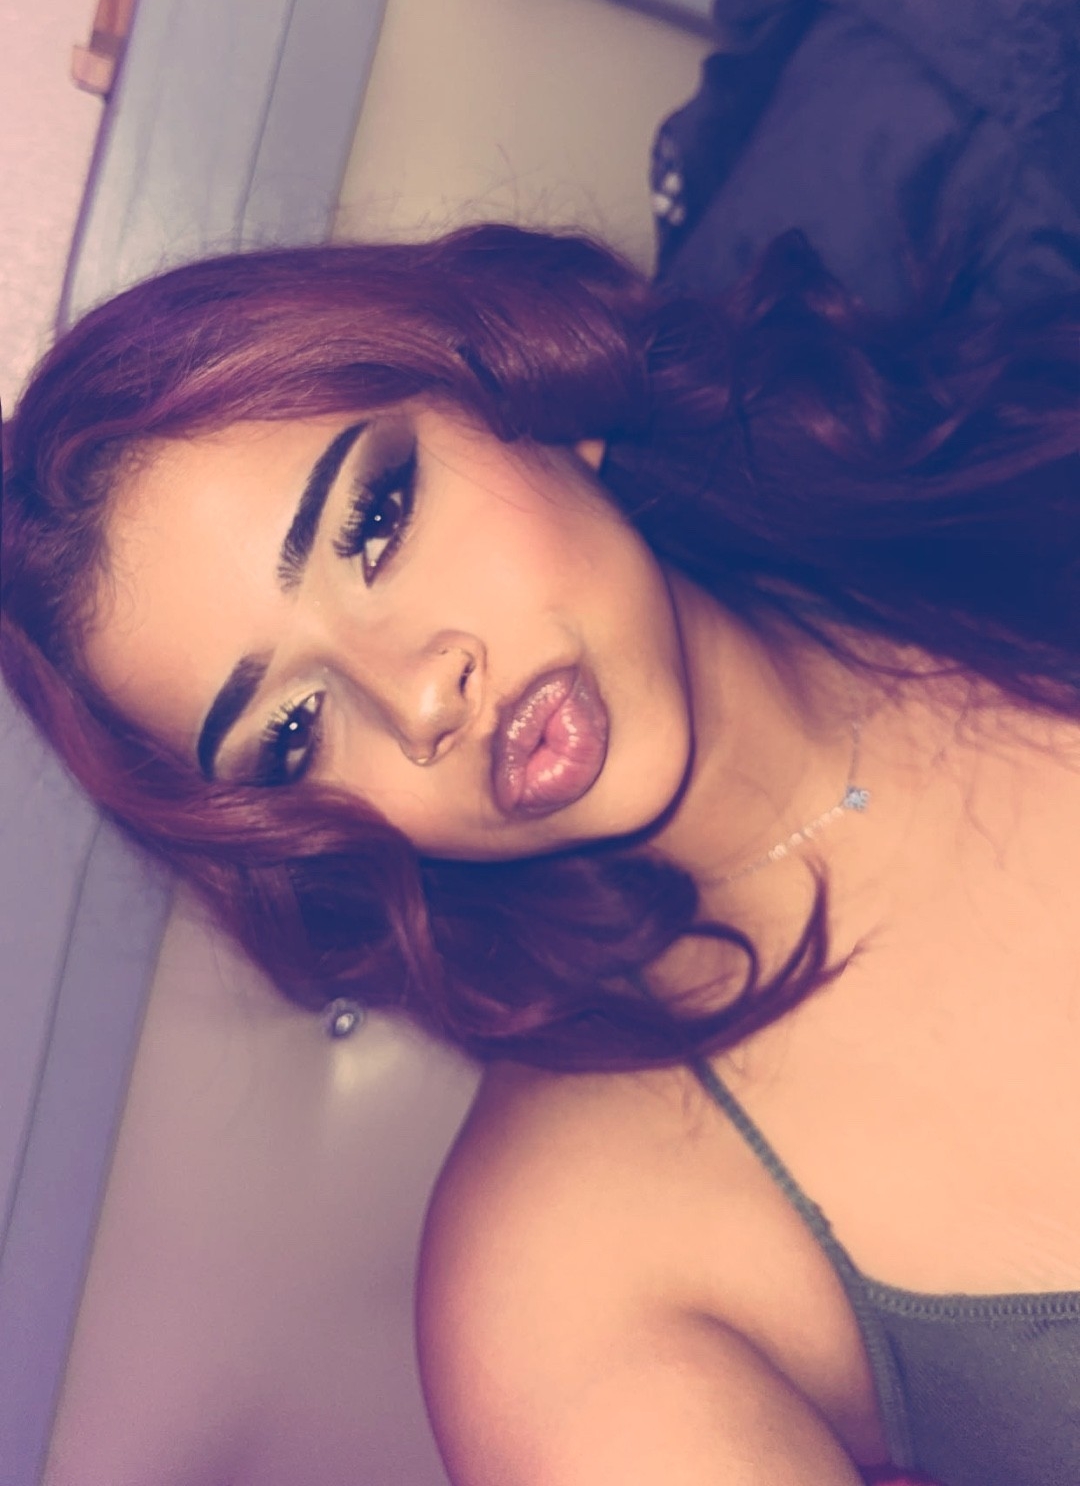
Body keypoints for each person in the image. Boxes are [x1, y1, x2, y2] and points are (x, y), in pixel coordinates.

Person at [1, 219, 1077, 1486]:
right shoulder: (562, 1280)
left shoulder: (1014, 453)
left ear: (520, 380)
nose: (420, 698)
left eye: (375, 523)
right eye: (292, 731)